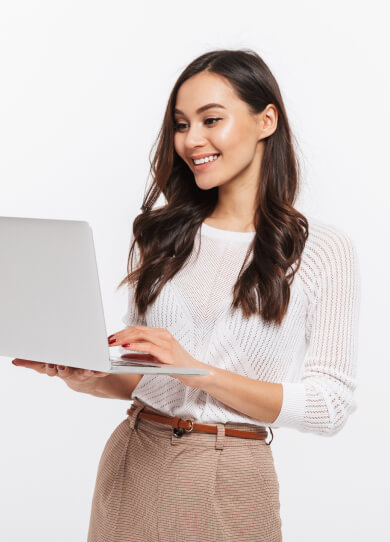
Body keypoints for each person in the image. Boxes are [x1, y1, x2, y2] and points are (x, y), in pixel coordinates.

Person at [12, 48, 361, 542]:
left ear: (267, 120)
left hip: (230, 475)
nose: (191, 140)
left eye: (210, 119)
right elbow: (144, 380)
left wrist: (197, 369)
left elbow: (329, 406)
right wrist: (86, 375)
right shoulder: (164, 235)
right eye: (180, 124)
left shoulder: (321, 250)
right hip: (133, 459)